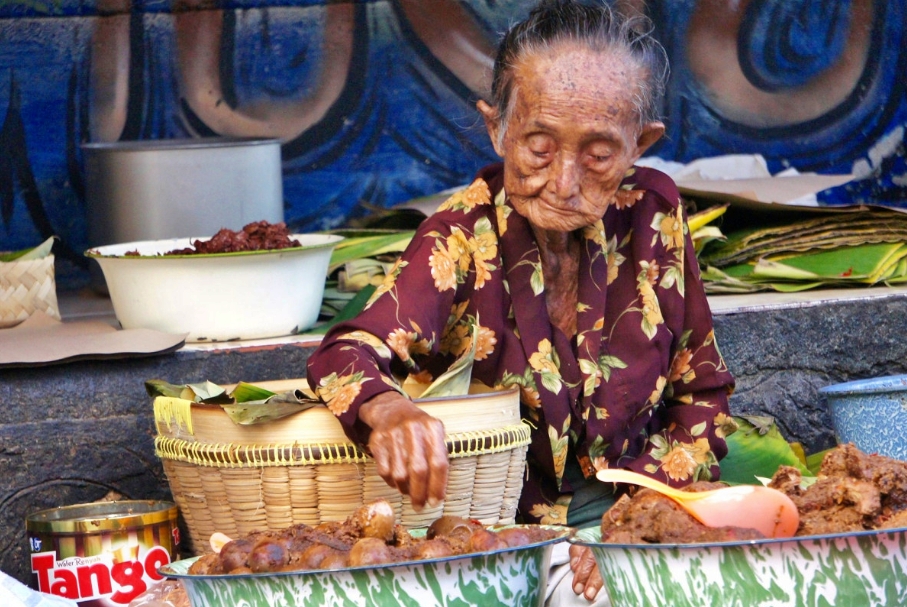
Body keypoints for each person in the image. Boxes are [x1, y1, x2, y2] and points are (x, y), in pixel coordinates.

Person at [306, 1, 736, 603]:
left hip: (638, 518)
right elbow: (346, 352)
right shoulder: (459, 237)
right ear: (497, 128)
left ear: (640, 144)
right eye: (538, 145)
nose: (563, 180)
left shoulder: (653, 215)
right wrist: (388, 412)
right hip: (501, 542)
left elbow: (702, 395)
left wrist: (647, 514)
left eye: (598, 153)